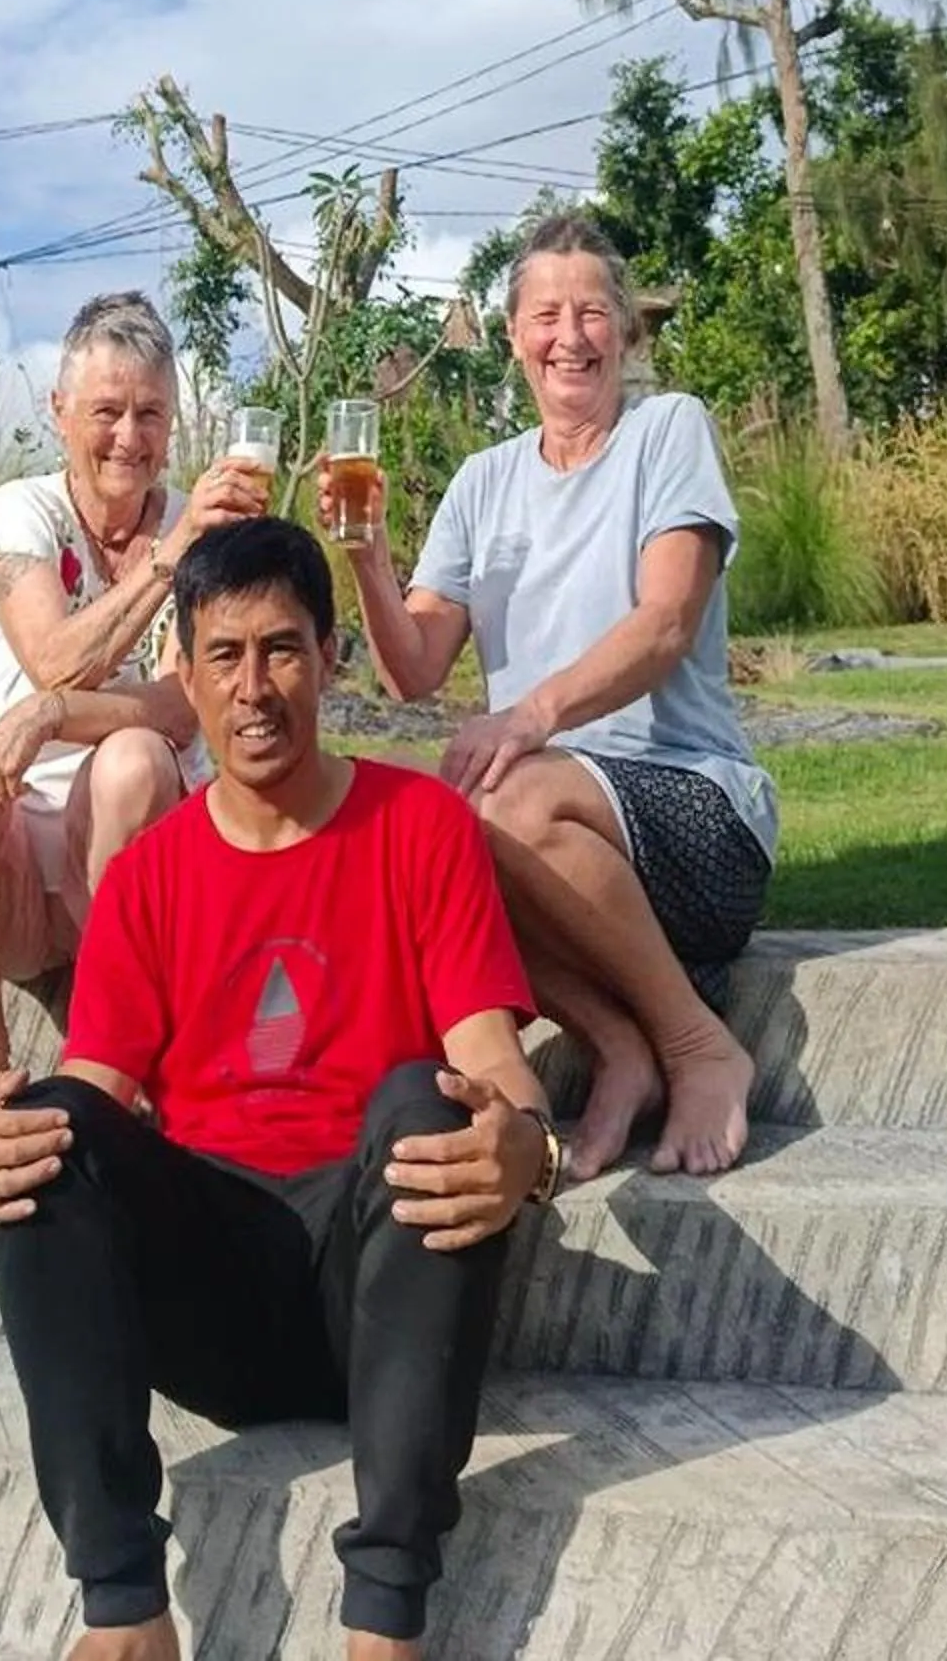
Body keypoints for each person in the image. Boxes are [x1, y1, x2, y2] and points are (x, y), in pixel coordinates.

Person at [0, 516, 562, 1661]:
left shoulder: (419, 827)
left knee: (430, 1106)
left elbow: (490, 1064)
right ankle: (125, 1608)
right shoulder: (147, 878)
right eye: (222, 656)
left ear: (328, 657)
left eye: (281, 649)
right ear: (179, 674)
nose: (254, 687)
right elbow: (93, 1095)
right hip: (212, 1302)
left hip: (375, 1284)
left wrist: (530, 1147)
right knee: (44, 1128)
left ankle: (383, 1618)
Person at [333, 212, 773, 1185]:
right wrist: (366, 560)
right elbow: (412, 671)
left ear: (623, 332)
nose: (567, 336)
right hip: (549, 841)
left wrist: (529, 715)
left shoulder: (666, 433)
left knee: (507, 794)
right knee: (407, 843)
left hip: (693, 822)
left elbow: (664, 623)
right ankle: (616, 1046)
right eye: (544, 315)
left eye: (588, 313)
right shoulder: (482, 484)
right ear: (512, 338)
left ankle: (696, 1044)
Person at [0, 289, 267, 1156]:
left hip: (123, 840)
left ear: (176, 422)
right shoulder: (25, 510)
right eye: (107, 412)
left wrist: (50, 717)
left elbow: (179, 707)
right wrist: (169, 560)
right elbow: (53, 655)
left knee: (134, 758)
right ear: (60, 414)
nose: (129, 436)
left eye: (151, 413)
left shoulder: (204, 526)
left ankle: (116, 1048)